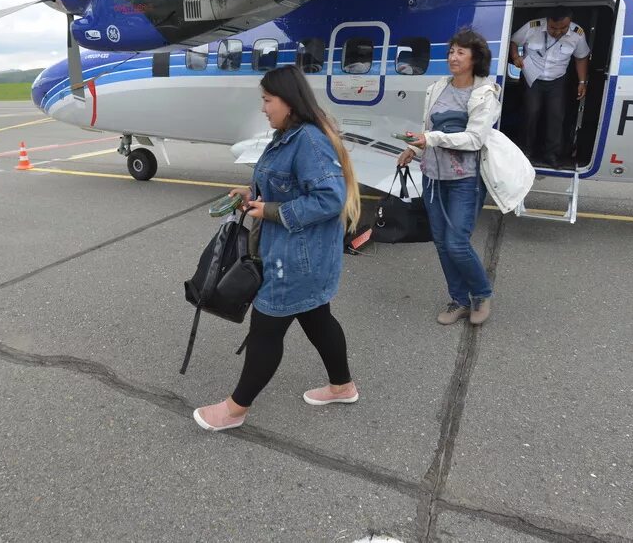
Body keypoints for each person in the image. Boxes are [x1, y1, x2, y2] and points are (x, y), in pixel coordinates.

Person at [193, 66, 361, 432]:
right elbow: (287, 185)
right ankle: (342, 386)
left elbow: (331, 199)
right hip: (300, 254)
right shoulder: (289, 134)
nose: (264, 108)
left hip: (296, 258)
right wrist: (252, 195)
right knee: (317, 319)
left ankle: (235, 410)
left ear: (289, 101)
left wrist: (270, 210)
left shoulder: (309, 141)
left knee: (266, 328)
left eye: (268, 101)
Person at [397, 29, 500, 326]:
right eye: (452, 51)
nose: (453, 57)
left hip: (464, 178)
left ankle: (480, 294)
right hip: (432, 176)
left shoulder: (485, 92)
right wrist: (413, 150)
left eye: (461, 53)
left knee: (456, 242)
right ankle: (458, 300)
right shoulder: (438, 87)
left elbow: (474, 139)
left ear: (475, 58)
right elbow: (426, 128)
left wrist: (432, 138)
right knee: (441, 242)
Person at [508, 6, 590, 167]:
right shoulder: (533, 27)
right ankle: (525, 151)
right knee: (531, 113)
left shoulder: (577, 34)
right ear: (547, 21)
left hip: (557, 80)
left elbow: (582, 57)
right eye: (553, 28)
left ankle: (551, 154)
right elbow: (514, 40)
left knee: (556, 116)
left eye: (563, 28)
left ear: (569, 23)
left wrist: (582, 82)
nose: (558, 32)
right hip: (533, 79)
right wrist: (515, 56)